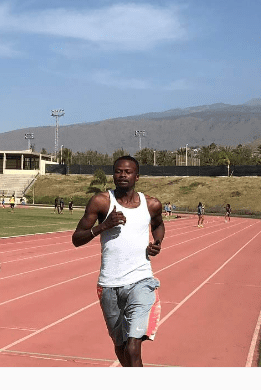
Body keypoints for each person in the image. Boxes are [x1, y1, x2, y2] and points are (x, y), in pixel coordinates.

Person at [72, 156, 164, 367]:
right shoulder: (101, 202)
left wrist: (157, 242)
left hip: (141, 280)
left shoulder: (151, 204)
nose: (122, 175)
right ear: (113, 174)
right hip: (109, 284)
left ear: (137, 176)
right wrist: (103, 226)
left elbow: (158, 225)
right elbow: (76, 239)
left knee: (133, 348)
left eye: (128, 172)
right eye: (118, 171)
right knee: (121, 346)